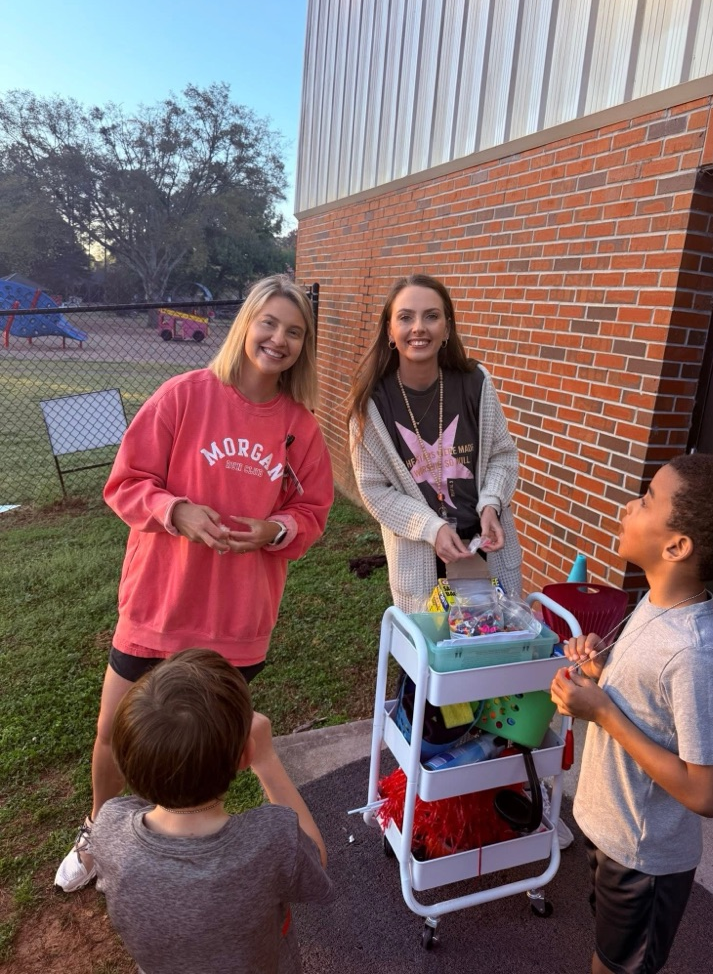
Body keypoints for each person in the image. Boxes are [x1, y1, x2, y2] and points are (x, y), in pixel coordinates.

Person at [55, 274, 334, 893]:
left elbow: (313, 514)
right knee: (112, 733)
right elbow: (125, 482)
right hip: (160, 604)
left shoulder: (300, 428)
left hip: (236, 622)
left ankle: (181, 858)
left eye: (294, 331)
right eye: (269, 323)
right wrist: (177, 511)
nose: (279, 339)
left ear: (303, 346)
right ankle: (97, 834)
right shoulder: (184, 395)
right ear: (245, 326)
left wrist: (275, 529)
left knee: (203, 753)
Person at [550, 453, 713, 974]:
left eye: (645, 500)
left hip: (644, 861)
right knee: (609, 953)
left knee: (618, 968)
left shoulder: (696, 653)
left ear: (677, 546)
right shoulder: (654, 600)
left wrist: (603, 712)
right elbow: (646, 701)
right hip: (609, 832)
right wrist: (600, 673)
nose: (626, 507)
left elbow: (708, 793)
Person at [89, 648, 333, 974]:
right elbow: (316, 858)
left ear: (128, 764)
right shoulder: (273, 842)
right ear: (245, 754)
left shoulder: (108, 828)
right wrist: (268, 761)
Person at [348, 273, 522, 612]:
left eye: (431, 316)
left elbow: (503, 454)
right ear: (388, 330)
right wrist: (432, 527)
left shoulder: (475, 383)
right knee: (427, 658)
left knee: (491, 653)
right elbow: (374, 491)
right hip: (420, 557)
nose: (419, 328)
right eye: (405, 317)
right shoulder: (370, 403)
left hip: (486, 547)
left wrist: (492, 504)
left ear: (446, 328)